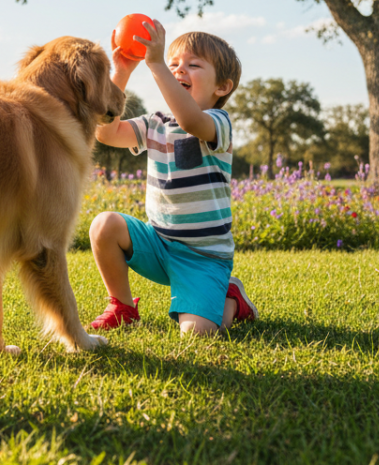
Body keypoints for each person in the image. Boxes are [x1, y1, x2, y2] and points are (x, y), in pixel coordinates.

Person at [88, 19, 257, 336]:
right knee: (104, 224)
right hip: (159, 243)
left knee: (198, 333)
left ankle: (231, 296)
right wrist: (122, 71)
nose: (179, 70)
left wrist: (156, 65)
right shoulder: (155, 122)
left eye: (193, 65)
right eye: (174, 63)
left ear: (222, 87)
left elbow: (191, 121)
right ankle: (122, 306)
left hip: (203, 258)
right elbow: (107, 133)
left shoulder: (218, 122)